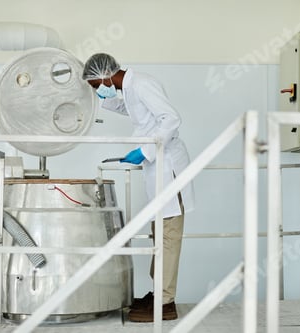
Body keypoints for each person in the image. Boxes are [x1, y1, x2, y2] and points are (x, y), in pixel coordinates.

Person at [82, 53, 195, 322]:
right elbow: (134, 111)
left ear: (106, 75)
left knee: (168, 235)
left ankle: (166, 301)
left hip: (169, 167)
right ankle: (158, 293)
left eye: (97, 85)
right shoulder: (130, 89)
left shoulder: (142, 84)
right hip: (157, 167)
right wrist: (107, 103)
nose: (98, 90)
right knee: (160, 232)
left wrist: (145, 149)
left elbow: (171, 118)